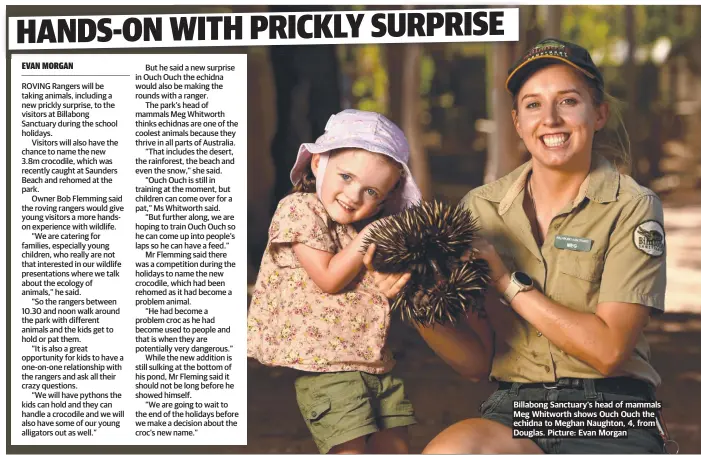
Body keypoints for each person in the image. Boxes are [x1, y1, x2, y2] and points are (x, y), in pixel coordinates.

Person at [410, 38, 668, 454]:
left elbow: (609, 351)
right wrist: (419, 305)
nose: (550, 119)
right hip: (517, 409)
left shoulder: (632, 206)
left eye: (568, 101)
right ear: (517, 121)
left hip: (611, 409)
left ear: (598, 113)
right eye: (533, 105)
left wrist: (507, 283)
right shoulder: (480, 207)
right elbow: (479, 362)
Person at [247, 109, 422, 454]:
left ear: (385, 199)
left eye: (371, 191)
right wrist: (369, 235)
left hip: (375, 362)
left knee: (396, 447)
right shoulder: (298, 209)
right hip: (329, 367)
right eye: (345, 176)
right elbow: (328, 278)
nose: (354, 196)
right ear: (317, 164)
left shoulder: (358, 231)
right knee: (350, 448)